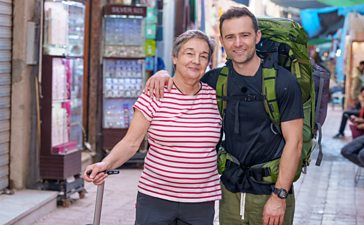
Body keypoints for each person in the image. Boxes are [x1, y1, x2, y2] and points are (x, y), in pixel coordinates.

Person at [145, 7, 303, 225]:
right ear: (222, 41)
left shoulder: (283, 82)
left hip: (270, 192)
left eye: (245, 35)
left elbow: (294, 142)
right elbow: (184, 81)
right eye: (230, 37)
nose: (238, 43)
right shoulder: (215, 80)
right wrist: (162, 74)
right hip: (230, 192)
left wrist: (280, 196)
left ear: (257, 37)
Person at [83, 30, 222, 225]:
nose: (196, 61)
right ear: (175, 57)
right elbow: (131, 143)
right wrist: (104, 164)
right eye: (189, 53)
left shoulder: (216, 98)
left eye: (203, 56)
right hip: (155, 198)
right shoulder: (155, 94)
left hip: (200, 202)